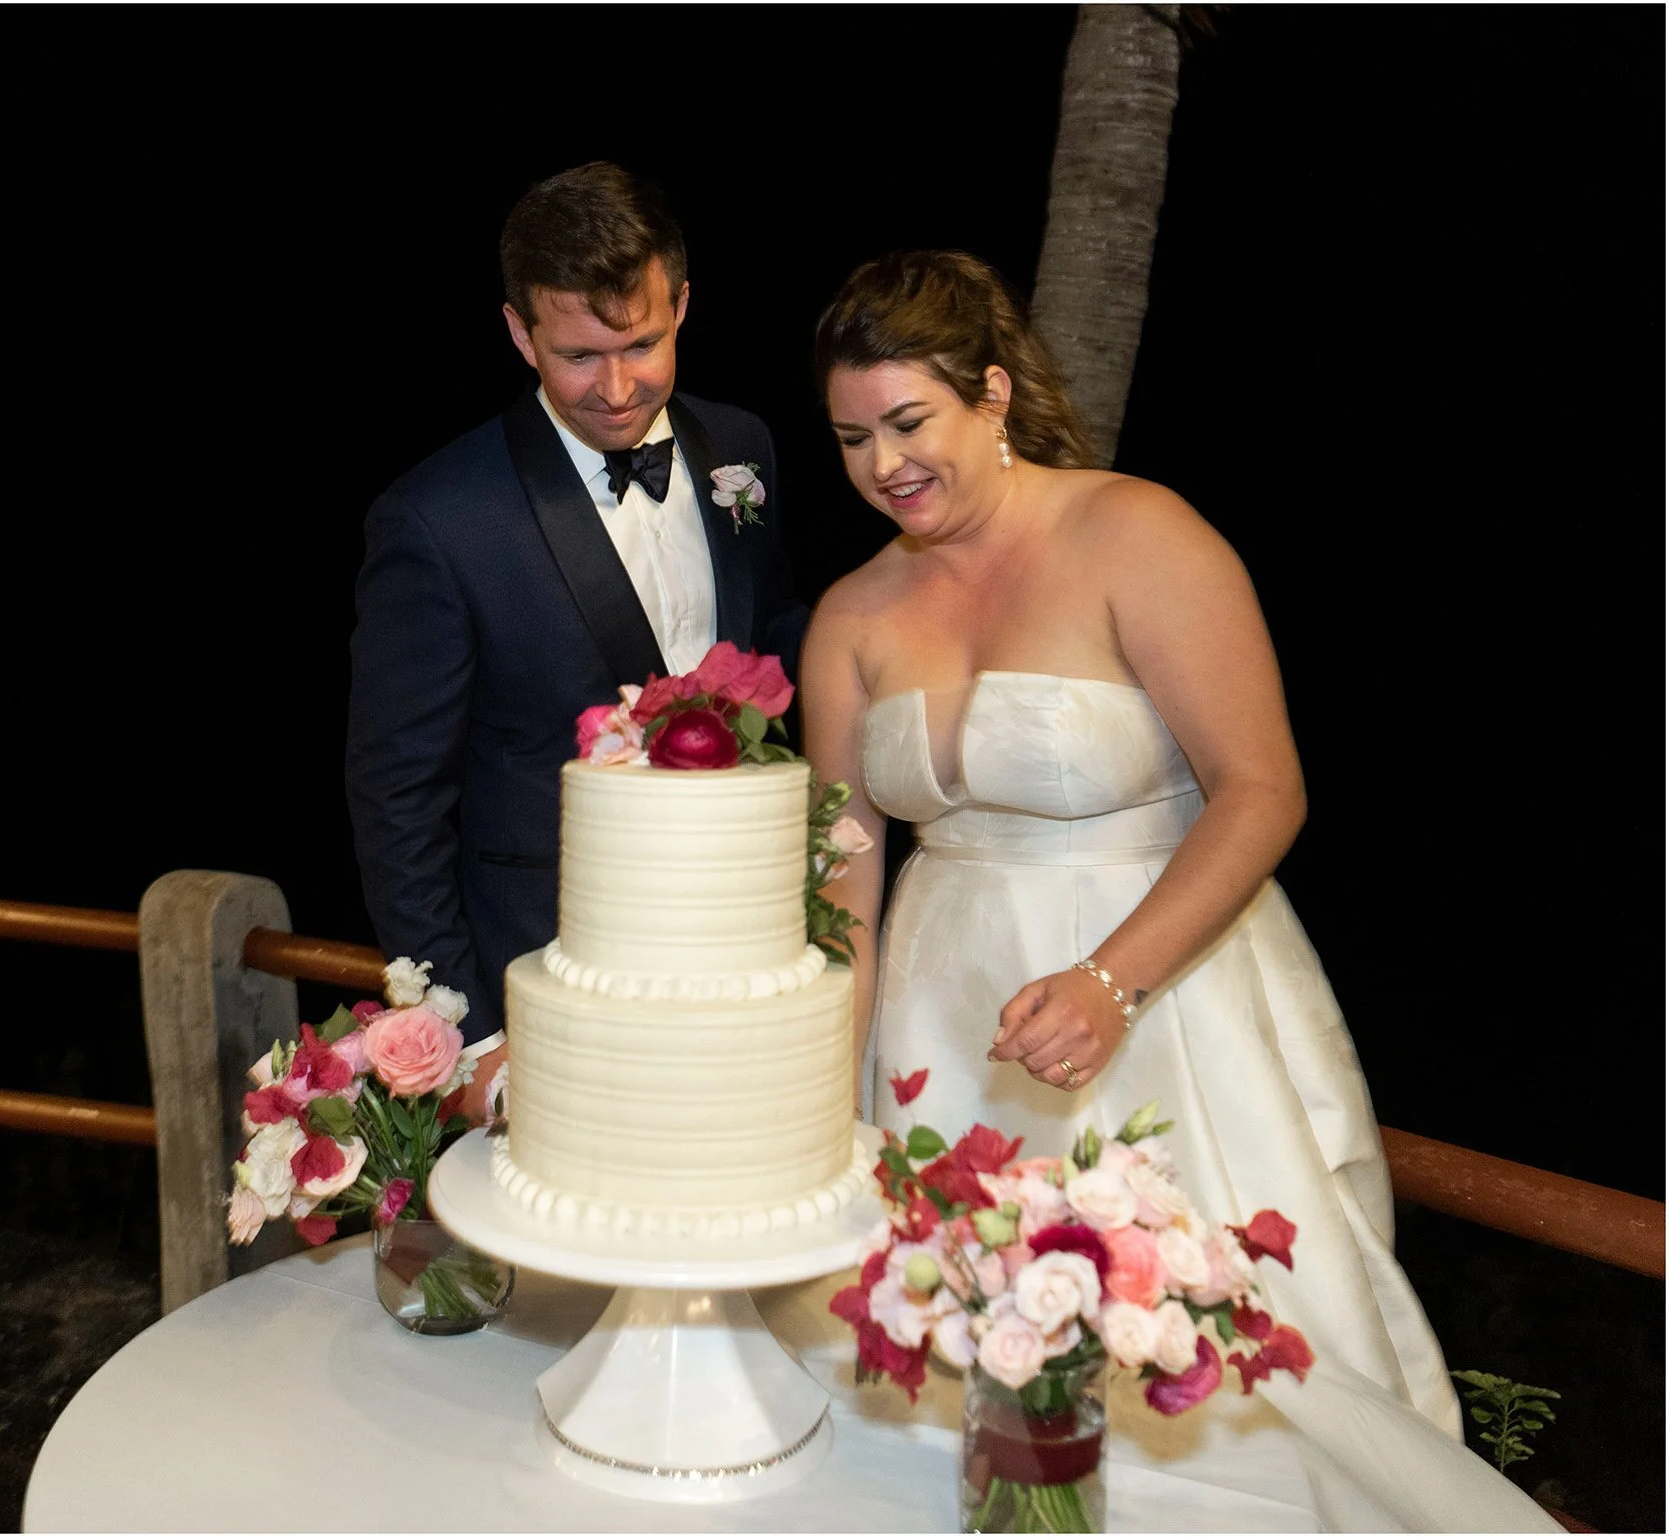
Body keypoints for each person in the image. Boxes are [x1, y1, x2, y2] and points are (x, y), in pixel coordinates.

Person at [798, 250, 1462, 1439]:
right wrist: (823, 1087)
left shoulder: (1135, 531)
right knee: (950, 1360)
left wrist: (1112, 982)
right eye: (852, 440)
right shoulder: (848, 613)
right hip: (939, 1019)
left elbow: (1260, 789)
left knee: (1204, 1359)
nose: (883, 466)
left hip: (1162, 999)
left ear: (991, 394)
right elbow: (844, 868)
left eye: (909, 422)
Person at [346, 162, 806, 1109]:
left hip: (744, 945)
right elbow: (396, 796)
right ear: (519, 331)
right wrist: (464, 1033)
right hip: (548, 968)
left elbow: (775, 637)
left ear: (682, 303)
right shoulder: (436, 520)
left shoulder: (743, 450)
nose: (617, 385)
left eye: (641, 342)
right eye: (578, 355)